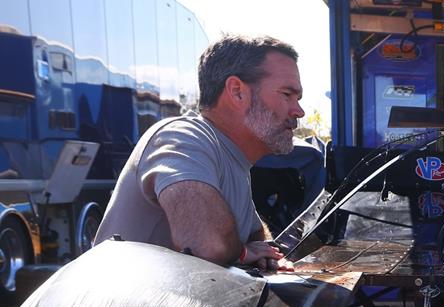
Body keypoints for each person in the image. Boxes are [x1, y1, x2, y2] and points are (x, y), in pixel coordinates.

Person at [96, 35, 305, 272]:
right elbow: (207, 245)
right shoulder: (183, 136)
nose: (299, 111)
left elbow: (255, 235)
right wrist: (245, 252)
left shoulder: (235, 160)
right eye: (287, 94)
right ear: (237, 91)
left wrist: (266, 252)